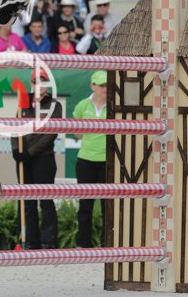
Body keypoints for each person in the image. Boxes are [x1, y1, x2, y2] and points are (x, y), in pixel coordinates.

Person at [11, 69, 62, 250]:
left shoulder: (54, 105)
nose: (39, 85)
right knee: (26, 201)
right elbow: (15, 128)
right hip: (24, 160)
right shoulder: (23, 102)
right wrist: (16, 150)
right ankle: (29, 242)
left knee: (46, 200)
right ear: (31, 84)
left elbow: (50, 134)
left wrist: (30, 152)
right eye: (36, 81)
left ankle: (48, 242)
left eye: (43, 81)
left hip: (43, 159)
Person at [74, 70, 109, 248]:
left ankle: (107, 242)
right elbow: (77, 133)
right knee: (85, 205)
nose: (105, 89)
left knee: (107, 205)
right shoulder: (82, 105)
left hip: (106, 161)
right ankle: (83, 244)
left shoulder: (113, 106)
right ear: (92, 86)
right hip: (86, 160)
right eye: (101, 85)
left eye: (107, 85)